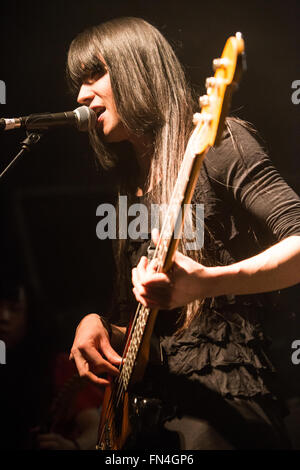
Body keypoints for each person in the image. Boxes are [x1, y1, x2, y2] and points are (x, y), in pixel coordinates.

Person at [67, 17, 300, 449]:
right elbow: (143, 322)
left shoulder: (220, 143)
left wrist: (209, 283)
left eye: (94, 75)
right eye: (78, 83)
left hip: (222, 398)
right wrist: (98, 326)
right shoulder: (128, 188)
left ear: (137, 69)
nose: (81, 95)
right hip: (151, 408)